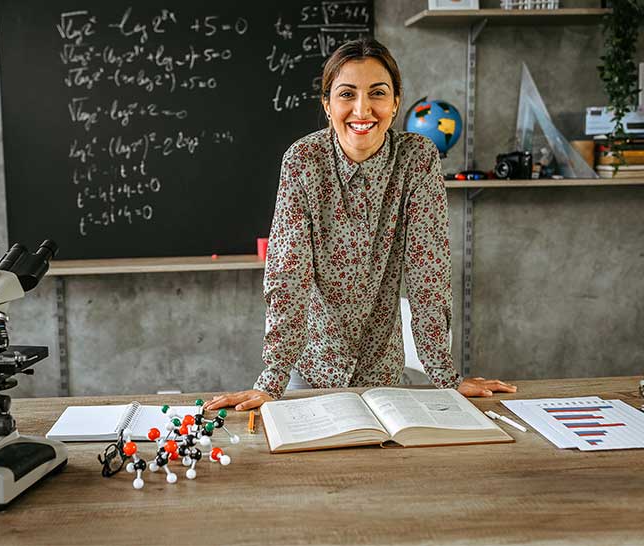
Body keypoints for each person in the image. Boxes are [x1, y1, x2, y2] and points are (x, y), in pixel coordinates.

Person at [206, 38, 516, 412]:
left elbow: (427, 271)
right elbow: (288, 275)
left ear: (396, 101)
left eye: (377, 93)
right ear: (327, 104)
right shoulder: (303, 161)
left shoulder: (417, 159)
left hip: (382, 375)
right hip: (312, 370)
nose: (362, 109)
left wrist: (445, 375)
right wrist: (271, 380)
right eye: (347, 94)